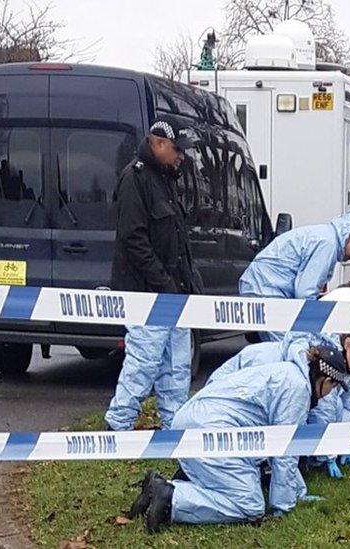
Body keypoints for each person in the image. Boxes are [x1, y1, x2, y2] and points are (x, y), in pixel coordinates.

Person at [128, 345, 350, 532]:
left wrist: (298, 493)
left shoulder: (288, 373)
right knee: (250, 505)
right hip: (212, 430)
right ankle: (171, 496)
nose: (329, 394)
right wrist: (284, 505)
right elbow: (285, 453)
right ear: (324, 377)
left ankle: (168, 486)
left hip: (196, 421)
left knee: (244, 481)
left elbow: (280, 447)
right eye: (332, 386)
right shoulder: (298, 388)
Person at [105, 115, 200, 432]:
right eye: (177, 149)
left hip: (173, 291)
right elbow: (133, 239)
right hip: (146, 292)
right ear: (158, 143)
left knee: (177, 363)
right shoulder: (135, 179)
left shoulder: (166, 178)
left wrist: (185, 285)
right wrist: (164, 284)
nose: (181, 156)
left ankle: (175, 424)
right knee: (143, 362)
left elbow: (176, 238)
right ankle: (119, 423)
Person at [239, 213, 350, 341]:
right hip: (265, 288)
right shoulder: (328, 245)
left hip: (264, 285)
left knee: (284, 344)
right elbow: (304, 293)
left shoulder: (327, 237)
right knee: (290, 346)